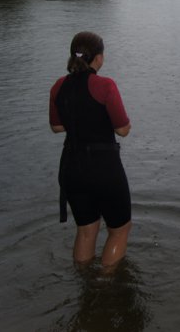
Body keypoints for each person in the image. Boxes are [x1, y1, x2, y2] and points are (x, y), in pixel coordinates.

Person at [49, 31, 132, 270]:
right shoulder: (105, 85)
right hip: (103, 168)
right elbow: (123, 130)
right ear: (99, 57)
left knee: (86, 231)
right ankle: (106, 287)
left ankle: (85, 282)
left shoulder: (58, 86)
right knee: (119, 230)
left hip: (71, 168)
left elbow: (56, 126)